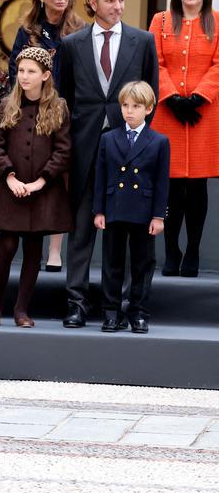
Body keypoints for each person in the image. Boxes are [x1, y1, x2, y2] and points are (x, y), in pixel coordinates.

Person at [59, 0, 159, 329]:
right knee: (82, 230)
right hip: (86, 148)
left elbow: (152, 96)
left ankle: (126, 306)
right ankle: (77, 303)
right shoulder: (71, 45)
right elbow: (64, 98)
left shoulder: (142, 41)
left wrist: (137, 143)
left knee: (127, 234)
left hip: (129, 153)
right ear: (92, 3)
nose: (118, 6)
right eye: (111, 0)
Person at [0, 47, 72, 327]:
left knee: (33, 248)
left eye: (31, 71)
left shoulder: (59, 108)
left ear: (45, 75)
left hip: (41, 190)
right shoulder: (8, 105)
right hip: (11, 188)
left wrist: (40, 181)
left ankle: (22, 310)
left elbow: (64, 150)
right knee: (7, 245)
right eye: (21, 70)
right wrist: (10, 177)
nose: (24, 76)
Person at [7, 0, 85, 273]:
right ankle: (22, 241)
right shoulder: (26, 30)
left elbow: (84, 75)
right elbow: (16, 72)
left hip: (65, 114)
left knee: (57, 180)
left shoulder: (80, 28)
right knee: (27, 171)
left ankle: (54, 250)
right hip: (30, 112)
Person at [149, 0, 219, 278]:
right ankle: (171, 250)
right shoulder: (161, 20)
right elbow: (155, 61)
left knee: (198, 186)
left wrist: (199, 96)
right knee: (172, 185)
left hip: (204, 113)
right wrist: (172, 97)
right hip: (168, 112)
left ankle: (192, 250)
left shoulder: (217, 22)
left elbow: (218, 65)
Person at [93, 81, 169, 334]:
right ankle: (112, 313)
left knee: (142, 263)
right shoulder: (109, 138)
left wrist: (159, 215)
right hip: (115, 207)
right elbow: (100, 177)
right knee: (112, 262)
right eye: (125, 105)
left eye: (136, 106)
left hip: (144, 210)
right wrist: (99, 210)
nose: (129, 111)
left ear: (148, 109)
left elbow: (161, 181)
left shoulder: (159, 141)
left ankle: (138, 313)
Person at [9, 0, 87, 86]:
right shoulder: (27, 30)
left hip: (69, 102)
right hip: (34, 101)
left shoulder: (82, 30)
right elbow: (15, 71)